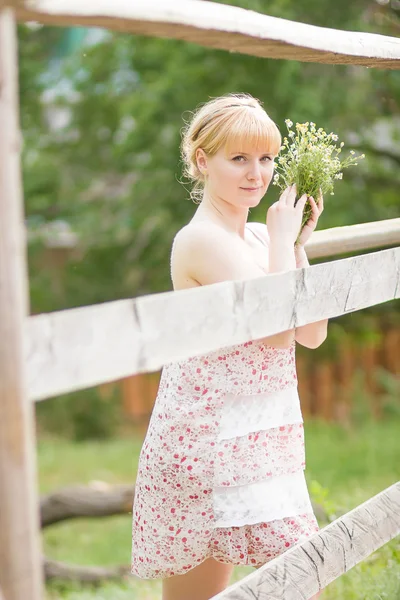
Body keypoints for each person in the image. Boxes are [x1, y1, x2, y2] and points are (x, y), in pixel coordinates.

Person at [131, 93, 326, 600]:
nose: (256, 174)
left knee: (303, 581)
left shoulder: (264, 238)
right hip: (207, 446)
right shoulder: (200, 242)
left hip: (264, 439)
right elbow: (278, 331)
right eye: (238, 158)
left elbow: (312, 333)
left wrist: (296, 244)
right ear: (202, 161)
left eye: (265, 159)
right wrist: (286, 244)